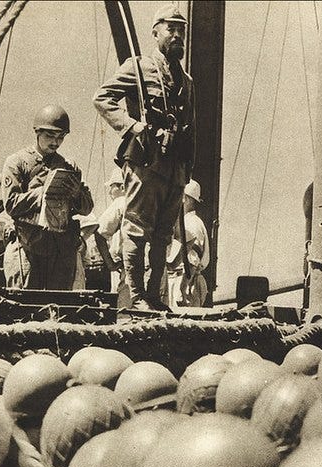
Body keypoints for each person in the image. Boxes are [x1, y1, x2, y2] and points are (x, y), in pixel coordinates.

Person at [94, 2, 195, 311]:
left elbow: (192, 127)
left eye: (181, 30)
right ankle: (137, 297)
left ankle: (154, 296)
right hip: (145, 161)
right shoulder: (138, 67)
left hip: (174, 166)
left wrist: (187, 169)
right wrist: (131, 126)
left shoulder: (187, 81)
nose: (177, 35)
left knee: (163, 235)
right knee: (137, 229)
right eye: (171, 29)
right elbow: (102, 97)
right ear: (155, 32)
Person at [0, 106, 93, 290]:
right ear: (37, 132)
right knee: (25, 306)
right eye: (50, 135)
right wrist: (43, 192)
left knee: (59, 308)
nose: (56, 142)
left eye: (61, 137)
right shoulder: (17, 162)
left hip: (61, 250)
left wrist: (76, 194)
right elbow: (11, 204)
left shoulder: (68, 167)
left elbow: (87, 207)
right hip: (28, 247)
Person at [164, 179, 210, 307]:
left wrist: (182, 289)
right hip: (180, 279)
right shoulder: (186, 221)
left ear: (187, 199)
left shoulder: (192, 223)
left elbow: (192, 260)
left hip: (186, 282)